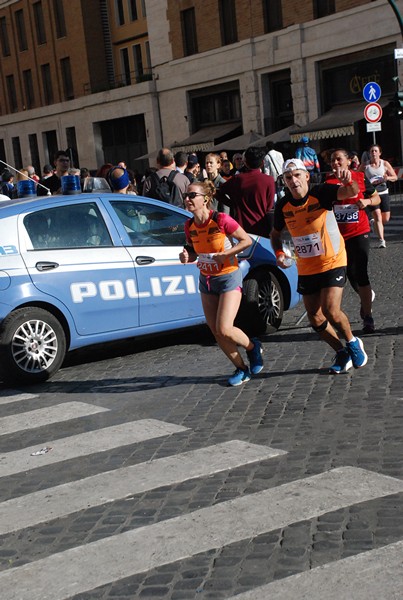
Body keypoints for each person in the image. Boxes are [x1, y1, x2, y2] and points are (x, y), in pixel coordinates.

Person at [270, 158, 368, 375]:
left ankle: (352, 342)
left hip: (333, 260)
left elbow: (350, 192)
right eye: (288, 177)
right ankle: (341, 352)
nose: (293, 181)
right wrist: (278, 253)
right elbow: (275, 235)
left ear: (306, 176)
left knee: (331, 310)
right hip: (307, 266)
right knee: (315, 317)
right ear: (285, 182)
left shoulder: (321, 192)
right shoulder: (283, 205)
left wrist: (349, 181)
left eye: (297, 175)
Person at [179, 179, 263, 386]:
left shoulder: (221, 219)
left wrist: (226, 254)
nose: (187, 199)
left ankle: (253, 348)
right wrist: (186, 256)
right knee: (215, 330)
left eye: (192, 196)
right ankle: (241, 368)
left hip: (228, 276)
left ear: (205, 199)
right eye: (185, 196)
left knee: (224, 328)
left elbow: (246, 241)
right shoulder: (189, 225)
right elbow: (192, 251)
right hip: (206, 279)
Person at [326, 148, 380, 334]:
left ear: (349, 161)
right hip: (338, 236)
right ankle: (365, 299)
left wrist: (366, 203)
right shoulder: (328, 182)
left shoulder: (359, 177)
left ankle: (368, 315)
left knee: (361, 273)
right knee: (350, 275)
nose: (335, 163)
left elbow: (376, 198)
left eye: (339, 159)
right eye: (332, 160)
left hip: (359, 231)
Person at [215, 146, 275, 237]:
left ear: (245, 162)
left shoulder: (237, 179)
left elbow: (218, 193)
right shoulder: (269, 180)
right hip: (262, 228)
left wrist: (233, 204)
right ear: (262, 163)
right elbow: (269, 206)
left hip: (241, 229)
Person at [359, 144, 397, 248]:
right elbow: (357, 177)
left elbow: (395, 177)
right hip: (371, 194)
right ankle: (382, 240)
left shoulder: (384, 163)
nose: (374, 153)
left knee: (385, 219)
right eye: (372, 151)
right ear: (369, 153)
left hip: (383, 192)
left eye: (376, 151)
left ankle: (373, 223)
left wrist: (387, 178)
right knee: (378, 217)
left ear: (379, 153)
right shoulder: (365, 165)